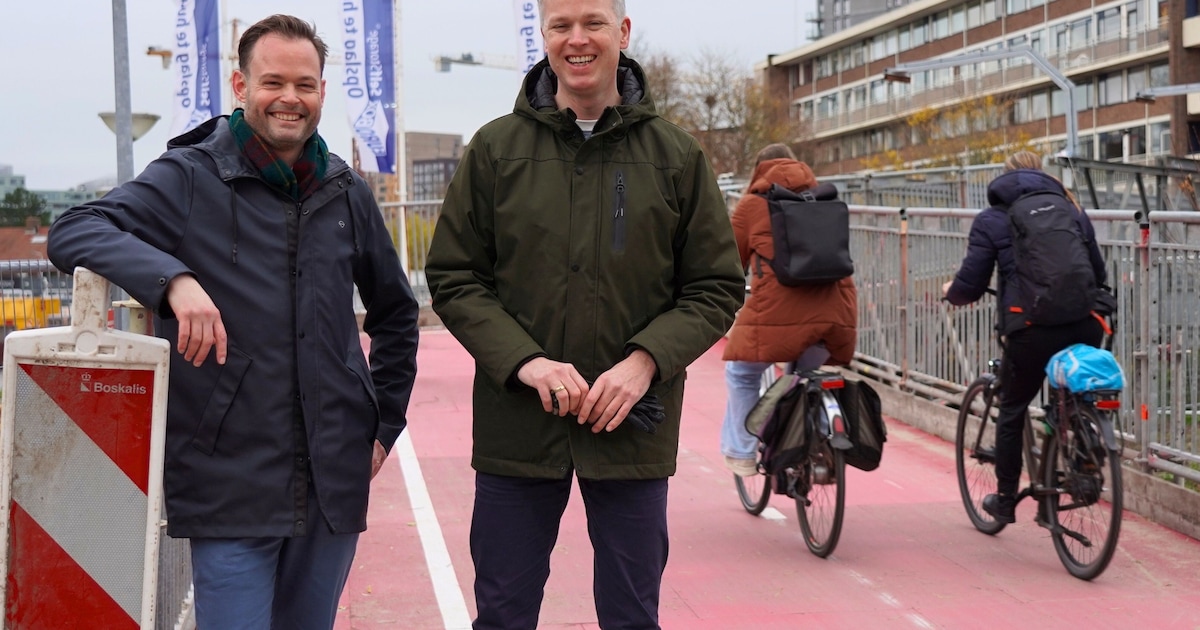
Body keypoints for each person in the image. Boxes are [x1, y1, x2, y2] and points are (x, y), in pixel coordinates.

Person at [46, 14, 419, 629]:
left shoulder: (345, 190)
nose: (290, 98)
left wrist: (383, 425)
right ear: (241, 86)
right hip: (230, 481)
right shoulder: (189, 176)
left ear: (322, 91)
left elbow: (397, 313)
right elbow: (74, 229)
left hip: (333, 481)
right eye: (274, 82)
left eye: (304, 85)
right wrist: (173, 281)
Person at [424, 0, 744, 627]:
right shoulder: (495, 150)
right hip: (519, 427)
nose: (577, 39)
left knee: (631, 615)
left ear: (622, 32)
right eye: (561, 25)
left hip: (632, 426)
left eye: (593, 22)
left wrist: (644, 363)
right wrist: (526, 363)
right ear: (543, 36)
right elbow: (455, 277)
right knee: (503, 613)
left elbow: (715, 286)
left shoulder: (676, 155)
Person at [942, 150, 1107, 523]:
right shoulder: (1071, 209)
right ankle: (1084, 449)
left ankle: (1004, 501)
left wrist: (953, 292)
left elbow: (971, 283)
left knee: (1013, 408)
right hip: (1084, 322)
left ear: (1004, 180)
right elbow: (1097, 272)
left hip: (1031, 329)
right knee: (1070, 395)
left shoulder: (991, 219)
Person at [719, 144, 858, 476]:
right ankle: (824, 437)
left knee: (742, 373)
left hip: (776, 315)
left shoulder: (752, 205)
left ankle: (742, 452)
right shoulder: (824, 200)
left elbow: (727, 261)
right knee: (804, 374)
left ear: (759, 170)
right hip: (836, 316)